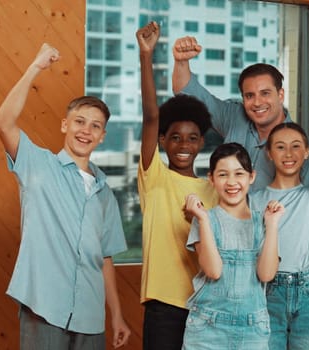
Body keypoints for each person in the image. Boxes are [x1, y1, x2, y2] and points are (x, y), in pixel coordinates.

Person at [0, 43, 131, 349]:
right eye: (80, 122)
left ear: (102, 136)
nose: (86, 131)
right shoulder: (38, 165)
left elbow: (105, 257)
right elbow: (3, 122)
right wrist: (36, 66)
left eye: (96, 126)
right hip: (43, 305)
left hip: (90, 314)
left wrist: (117, 315)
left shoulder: (105, 192)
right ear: (65, 125)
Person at [135, 22, 219, 350]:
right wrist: (146, 55)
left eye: (192, 138)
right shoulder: (154, 176)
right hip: (164, 308)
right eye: (175, 137)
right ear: (162, 141)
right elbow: (150, 115)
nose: (184, 145)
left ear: (201, 143)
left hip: (208, 307)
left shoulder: (214, 189)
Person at [249, 85, 309, 349]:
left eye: (296, 147)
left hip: (308, 292)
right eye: (280, 147)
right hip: (267, 292)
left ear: (306, 153)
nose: (289, 154)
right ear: (269, 154)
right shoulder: (254, 200)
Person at [172, 36, 309, 191]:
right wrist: (181, 62)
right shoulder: (234, 117)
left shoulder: (303, 148)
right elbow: (189, 95)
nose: (257, 102)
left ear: (280, 95)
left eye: (265, 93)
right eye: (250, 95)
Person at [182, 142, 285, 349]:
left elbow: (266, 275)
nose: (231, 182)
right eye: (222, 175)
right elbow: (213, 270)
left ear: (251, 177)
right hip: (207, 330)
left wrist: (272, 225)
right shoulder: (204, 220)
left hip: (253, 330)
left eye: (239, 174)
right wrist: (202, 219)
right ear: (211, 178)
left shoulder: (264, 221)